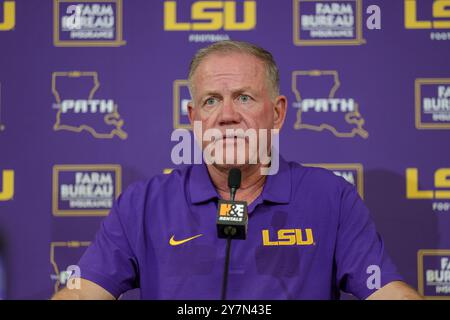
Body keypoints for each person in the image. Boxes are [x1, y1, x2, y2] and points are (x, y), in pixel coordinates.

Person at [52, 40, 422, 300]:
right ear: (194, 118)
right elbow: (83, 291)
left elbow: (385, 290)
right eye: (211, 101)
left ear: (277, 113)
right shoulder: (143, 203)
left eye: (244, 97)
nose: (227, 115)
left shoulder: (330, 197)